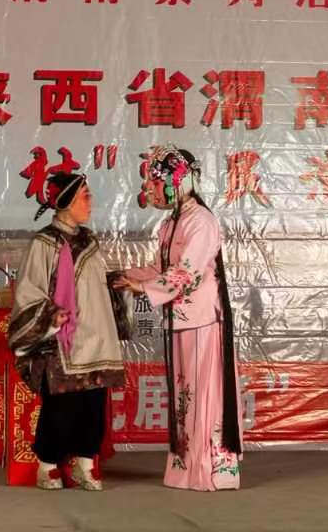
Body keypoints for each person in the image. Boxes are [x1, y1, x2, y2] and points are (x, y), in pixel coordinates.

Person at [114, 144, 243, 491]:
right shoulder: (172, 223)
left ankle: (211, 470)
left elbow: (187, 271)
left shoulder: (201, 221)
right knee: (185, 397)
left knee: (203, 396)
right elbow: (161, 269)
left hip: (203, 320)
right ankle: (187, 467)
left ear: (177, 181)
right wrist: (127, 277)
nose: (151, 189)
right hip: (182, 319)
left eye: (156, 182)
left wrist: (144, 288)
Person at [8, 172, 127, 491]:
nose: (91, 202)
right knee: (62, 406)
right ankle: (47, 465)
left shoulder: (89, 242)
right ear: (67, 202)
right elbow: (29, 289)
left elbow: (92, 284)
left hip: (96, 336)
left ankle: (85, 465)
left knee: (93, 404)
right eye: (85, 196)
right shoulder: (44, 243)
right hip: (64, 339)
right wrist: (49, 315)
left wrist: (116, 283)